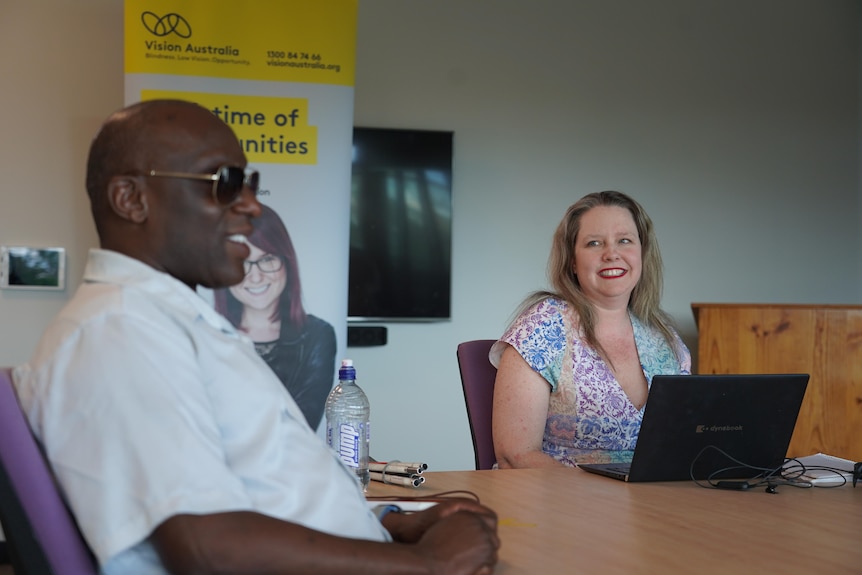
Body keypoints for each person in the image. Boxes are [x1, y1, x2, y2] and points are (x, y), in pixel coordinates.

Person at [13, 99, 498, 575]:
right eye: (224, 183)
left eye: (250, 183)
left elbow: (260, 486)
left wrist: (387, 525)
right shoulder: (119, 333)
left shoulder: (160, 320)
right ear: (131, 199)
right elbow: (208, 548)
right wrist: (428, 564)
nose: (250, 206)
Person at [491, 190, 691, 469]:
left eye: (625, 241)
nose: (611, 254)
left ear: (642, 253)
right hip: (558, 503)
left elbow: (685, 444)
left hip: (653, 504)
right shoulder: (544, 325)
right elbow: (516, 455)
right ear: (572, 261)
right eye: (594, 243)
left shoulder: (666, 338)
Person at [214, 203, 336, 430]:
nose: (256, 276)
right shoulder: (205, 332)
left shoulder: (317, 336)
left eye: (268, 259)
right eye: (242, 262)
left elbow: (301, 427)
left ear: (287, 262)